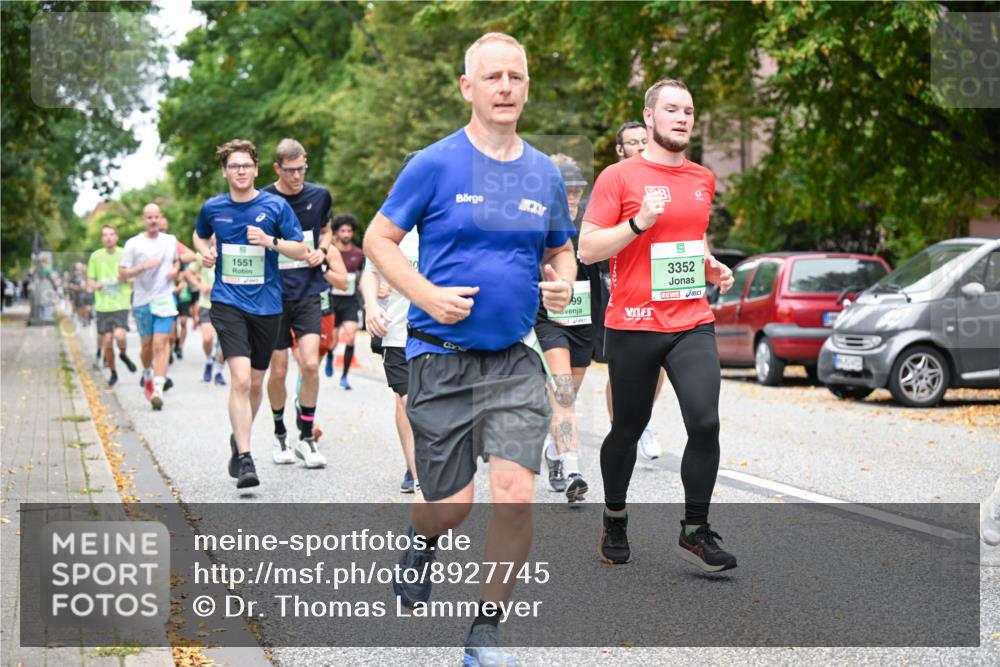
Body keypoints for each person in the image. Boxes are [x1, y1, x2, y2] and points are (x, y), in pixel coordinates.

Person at [364, 32, 575, 665]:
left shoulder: (544, 172)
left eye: (515, 76)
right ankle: (421, 540)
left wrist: (563, 283)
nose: (505, 87)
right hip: (440, 356)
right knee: (451, 507)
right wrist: (425, 295)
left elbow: (561, 249)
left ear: (527, 87)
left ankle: (486, 631)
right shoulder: (434, 164)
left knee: (514, 494)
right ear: (467, 87)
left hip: (514, 356)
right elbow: (378, 240)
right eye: (492, 77)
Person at [579, 78, 737, 572]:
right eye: (671, 109)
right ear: (649, 117)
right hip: (633, 323)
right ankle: (615, 517)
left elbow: (692, 238)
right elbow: (588, 249)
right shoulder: (618, 177)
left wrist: (710, 265)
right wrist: (637, 224)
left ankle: (695, 530)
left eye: (688, 110)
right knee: (628, 428)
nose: (682, 117)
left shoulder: (702, 178)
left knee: (705, 422)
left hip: (691, 319)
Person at [192, 139, 307, 490]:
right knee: (240, 380)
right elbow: (199, 236)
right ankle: (245, 457)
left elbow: (301, 249)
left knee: (256, 383)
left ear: (256, 169)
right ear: (224, 171)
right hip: (227, 303)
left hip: (267, 306)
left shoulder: (275, 206)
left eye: (246, 165)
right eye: (234, 166)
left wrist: (270, 242)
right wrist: (205, 253)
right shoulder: (213, 207)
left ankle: (237, 437)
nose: (240, 171)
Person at [262, 138, 339, 469]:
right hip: (273, 295)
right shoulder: (263, 199)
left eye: (302, 169)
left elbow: (327, 230)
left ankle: (306, 438)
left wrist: (322, 249)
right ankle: (280, 433)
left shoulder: (319, 195)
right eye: (290, 171)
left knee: (309, 364)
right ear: (277, 168)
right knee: (278, 369)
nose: (297, 176)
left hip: (309, 291)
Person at [595, 121, 665, 460]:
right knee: (623, 369)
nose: (640, 146)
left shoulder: (665, 179)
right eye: (633, 142)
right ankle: (621, 425)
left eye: (644, 141)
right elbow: (597, 238)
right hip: (622, 286)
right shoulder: (614, 181)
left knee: (660, 364)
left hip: (661, 285)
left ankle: (642, 420)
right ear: (620, 150)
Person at [360, 151, 421, 495]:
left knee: (431, 406)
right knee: (406, 400)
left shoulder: (448, 221)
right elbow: (370, 272)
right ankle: (419, 473)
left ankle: (423, 463)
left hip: (443, 332)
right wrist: (371, 304)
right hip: (397, 330)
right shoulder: (390, 223)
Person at [535, 154, 593, 503]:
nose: (572, 198)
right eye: (565, 190)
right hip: (549, 320)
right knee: (564, 395)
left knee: (566, 396)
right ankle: (573, 470)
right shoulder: (537, 220)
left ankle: (554, 451)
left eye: (577, 191)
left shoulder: (592, 222)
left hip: (584, 321)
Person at [119, 204, 180, 410]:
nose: (153, 221)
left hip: (164, 298)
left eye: (156, 217)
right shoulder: (133, 244)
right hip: (142, 301)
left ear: (160, 218)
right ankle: (147, 373)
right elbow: (123, 273)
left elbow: (176, 262)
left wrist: (175, 271)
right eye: (149, 217)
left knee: (160, 344)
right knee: (146, 346)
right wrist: (144, 266)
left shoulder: (170, 240)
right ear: (143, 219)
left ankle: (158, 390)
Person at [86, 224, 137, 386]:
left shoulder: (125, 254)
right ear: (102, 238)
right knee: (107, 341)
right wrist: (95, 285)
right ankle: (113, 372)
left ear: (116, 237)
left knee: (120, 335)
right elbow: (89, 279)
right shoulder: (95, 256)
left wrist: (125, 278)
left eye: (111, 234)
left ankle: (123, 354)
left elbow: (134, 276)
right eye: (105, 235)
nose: (108, 237)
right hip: (103, 305)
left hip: (121, 303)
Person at [326, 214, 365, 390]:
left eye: (349, 231)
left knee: (350, 336)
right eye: (343, 231)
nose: (346, 234)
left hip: (350, 301)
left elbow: (363, 277)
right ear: (336, 232)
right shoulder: (330, 252)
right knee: (332, 342)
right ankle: (329, 354)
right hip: (333, 300)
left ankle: (344, 376)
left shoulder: (358, 254)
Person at [185, 251, 226, 385]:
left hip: (226, 305)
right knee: (207, 339)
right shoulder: (202, 255)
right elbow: (188, 273)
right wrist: (200, 286)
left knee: (226, 344)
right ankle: (209, 360)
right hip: (206, 304)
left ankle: (219, 371)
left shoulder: (229, 250)